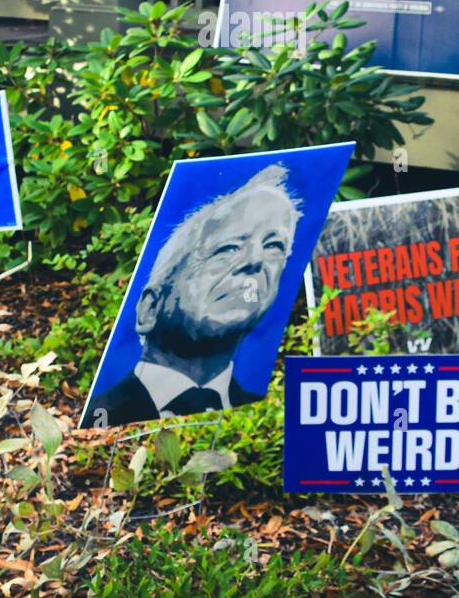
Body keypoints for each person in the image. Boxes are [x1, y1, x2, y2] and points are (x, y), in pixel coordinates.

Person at [83, 164, 301, 426]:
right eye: (228, 248)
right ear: (150, 309)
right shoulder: (103, 418)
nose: (255, 260)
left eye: (273, 246)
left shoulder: (267, 425)